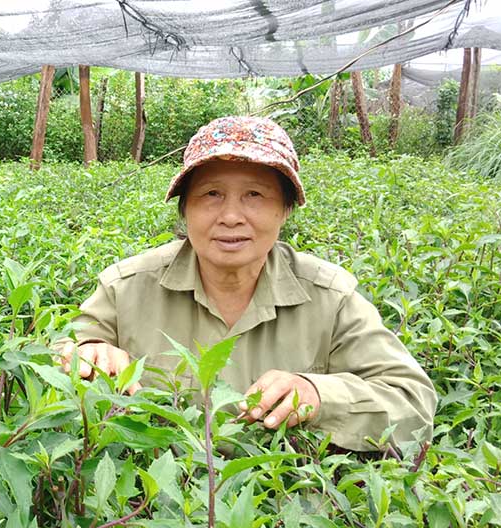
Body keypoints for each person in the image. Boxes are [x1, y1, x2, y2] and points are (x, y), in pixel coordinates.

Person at [59, 116, 435, 451]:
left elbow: (413, 401)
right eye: (211, 194)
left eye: (254, 195)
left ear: (285, 209)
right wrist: (90, 353)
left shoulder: (330, 298)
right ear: (185, 207)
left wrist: (318, 394)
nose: (231, 216)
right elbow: (60, 355)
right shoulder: (125, 287)